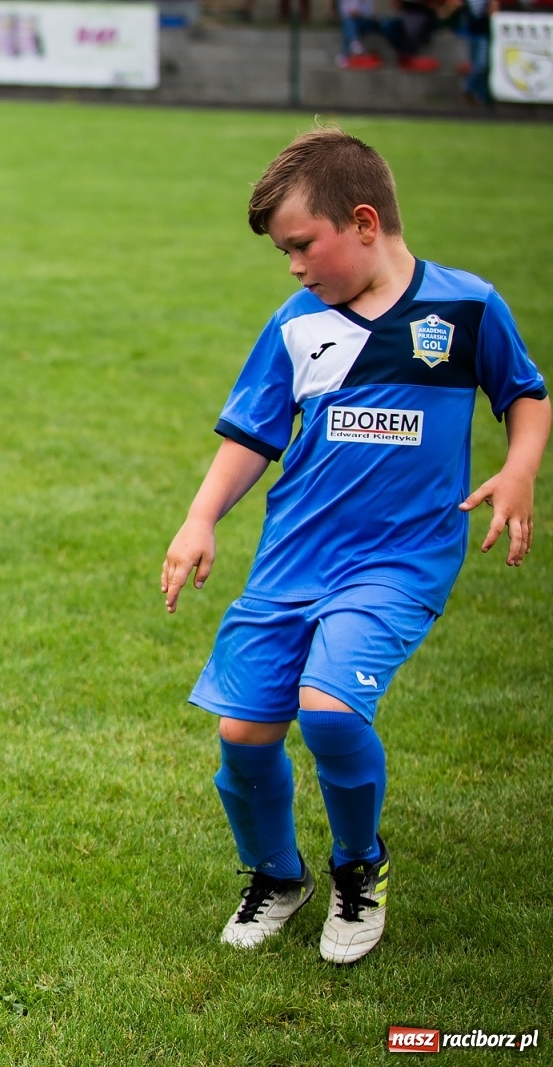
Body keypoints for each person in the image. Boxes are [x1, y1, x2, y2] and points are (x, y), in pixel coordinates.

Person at [162, 128, 548, 965]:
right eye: (284, 253)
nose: (295, 266)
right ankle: (277, 874)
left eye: (303, 245)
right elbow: (251, 435)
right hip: (292, 557)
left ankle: (358, 866)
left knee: (330, 709)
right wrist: (200, 518)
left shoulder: (467, 306)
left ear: (364, 221)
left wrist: (519, 471)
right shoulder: (298, 324)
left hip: (399, 561)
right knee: (244, 735)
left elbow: (525, 394)